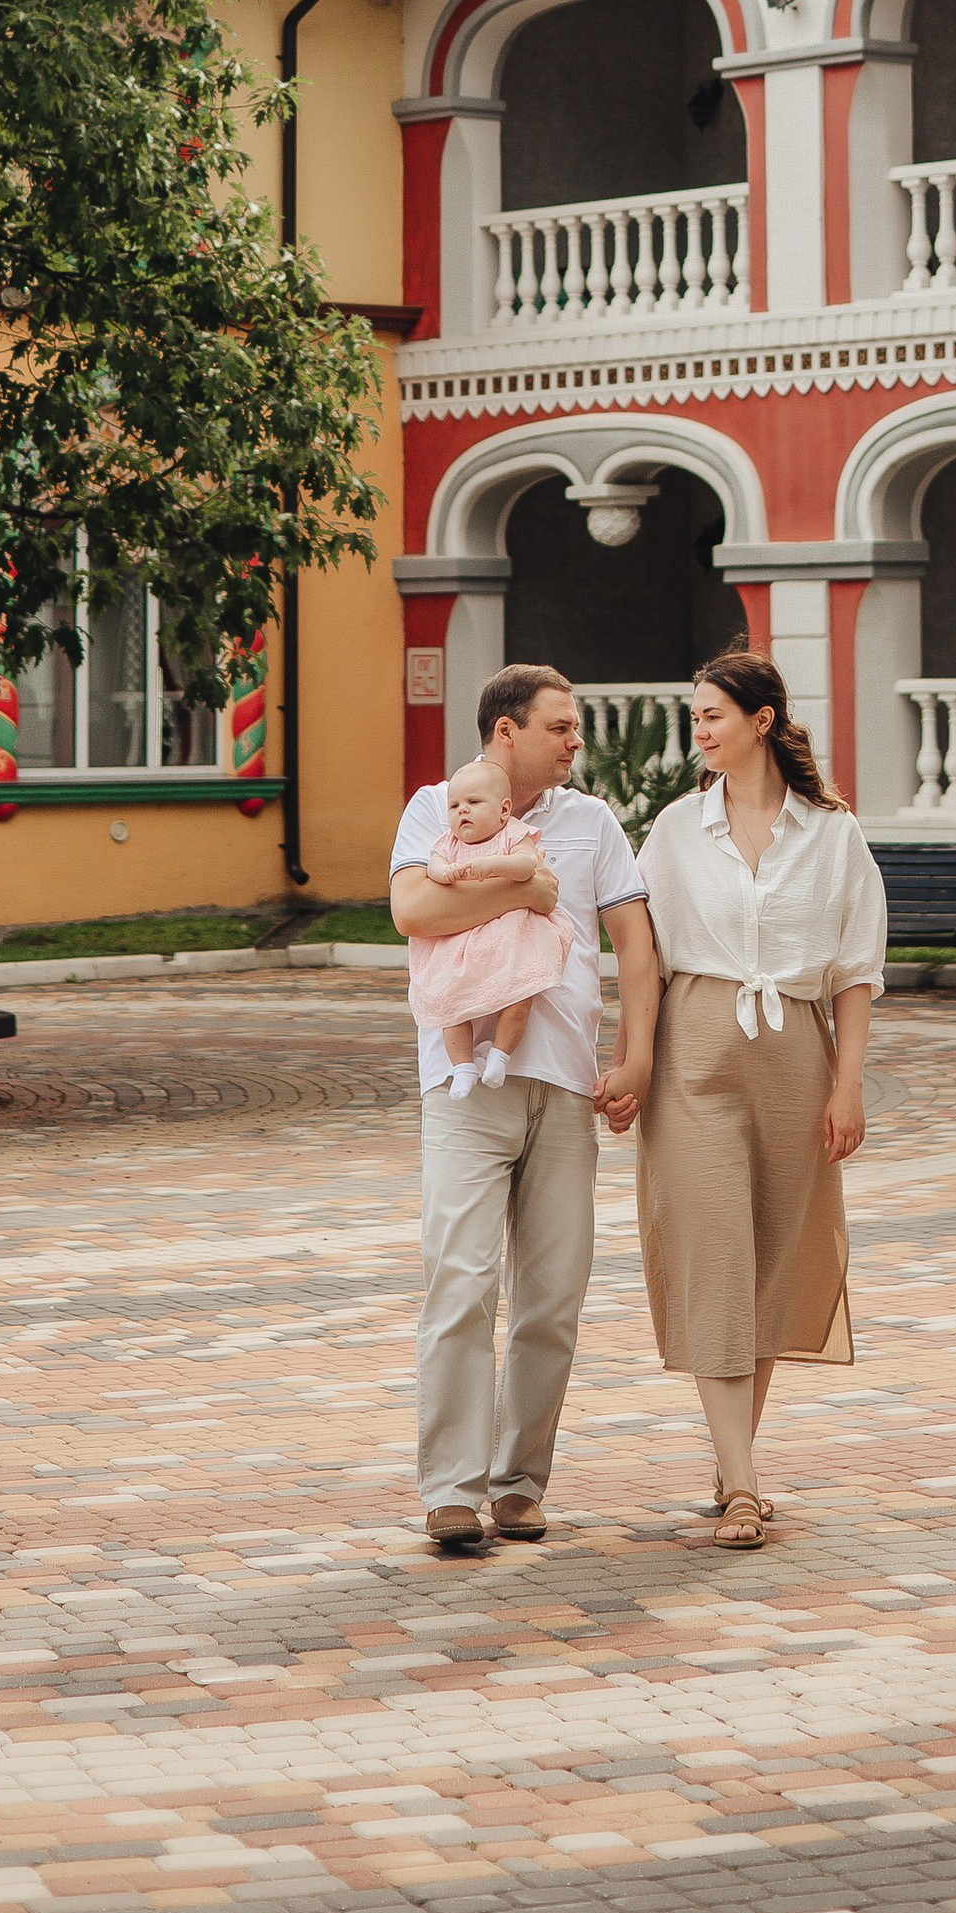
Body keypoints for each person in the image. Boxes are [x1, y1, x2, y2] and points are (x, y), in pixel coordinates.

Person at [390, 663, 658, 1553]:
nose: (575, 741)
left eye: (574, 727)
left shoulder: (591, 823)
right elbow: (412, 910)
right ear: (506, 732)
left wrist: (638, 1056)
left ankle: (518, 1485)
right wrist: (526, 890)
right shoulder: (439, 807)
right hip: (464, 1082)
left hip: (566, 1081)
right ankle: (451, 1492)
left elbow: (635, 942)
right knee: (461, 1280)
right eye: (560, 726)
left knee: (552, 1296)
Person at [626, 649, 887, 1549]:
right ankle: (741, 1483)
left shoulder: (833, 834)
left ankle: (733, 1457)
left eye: (712, 716)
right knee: (714, 1253)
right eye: (694, 717)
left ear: (761, 722)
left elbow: (855, 973)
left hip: (795, 1055)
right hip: (693, 1049)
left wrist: (847, 1086)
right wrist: (627, 1064)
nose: (699, 731)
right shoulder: (671, 830)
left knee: (772, 1256)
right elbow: (639, 962)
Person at [409, 760, 575, 1097]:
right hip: (464, 945)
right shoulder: (449, 842)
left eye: (473, 803)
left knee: (519, 998)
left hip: (509, 939)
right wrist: (443, 873)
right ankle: (463, 1066)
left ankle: (500, 1055)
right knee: (449, 1007)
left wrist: (492, 864)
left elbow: (527, 865)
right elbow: (435, 864)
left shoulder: (514, 834)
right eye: (454, 806)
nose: (462, 812)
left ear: (503, 811)